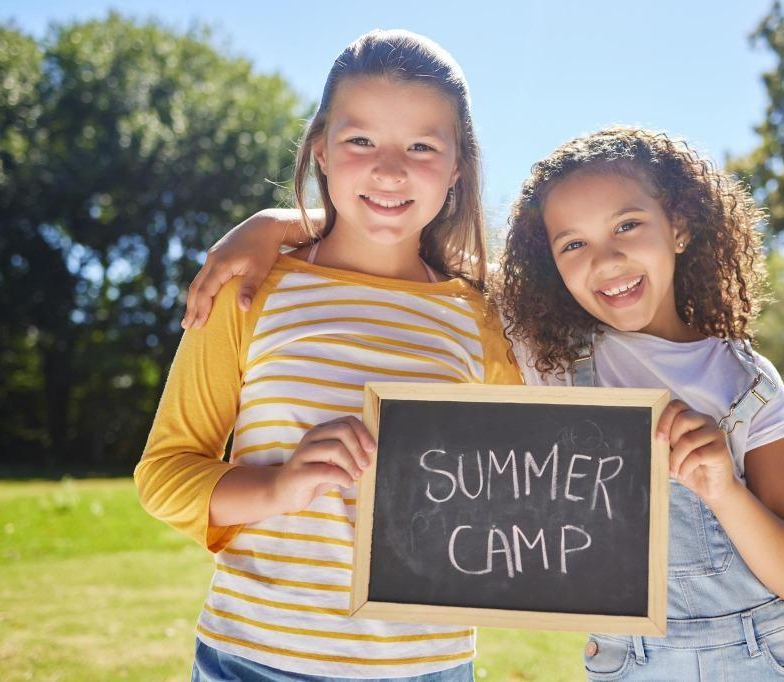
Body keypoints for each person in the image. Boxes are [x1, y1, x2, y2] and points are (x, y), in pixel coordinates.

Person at [183, 126, 784, 681]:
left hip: (759, 656)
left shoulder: (745, 385)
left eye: (628, 225)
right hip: (627, 660)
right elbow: (406, 243)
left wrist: (724, 491)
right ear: (550, 264)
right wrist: (276, 225)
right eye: (572, 244)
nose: (606, 260)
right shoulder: (545, 355)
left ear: (680, 226)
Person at [135, 29, 520, 681]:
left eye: (422, 146)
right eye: (360, 140)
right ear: (320, 148)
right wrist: (279, 486)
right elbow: (165, 475)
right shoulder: (249, 288)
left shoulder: (484, 318)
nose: (390, 169)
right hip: (255, 661)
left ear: (458, 168)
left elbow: (519, 492)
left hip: (431, 667)